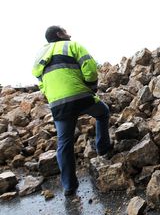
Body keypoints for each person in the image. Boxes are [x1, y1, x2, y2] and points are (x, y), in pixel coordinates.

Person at [32, 26, 112, 196]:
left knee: (64, 142)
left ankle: (69, 186)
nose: (69, 33)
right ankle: (103, 149)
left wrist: (52, 97)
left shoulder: (40, 57)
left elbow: (41, 82)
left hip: (58, 104)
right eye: (65, 31)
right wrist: (91, 88)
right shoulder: (72, 46)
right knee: (103, 113)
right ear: (58, 34)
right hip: (80, 96)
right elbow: (89, 67)